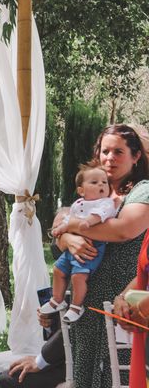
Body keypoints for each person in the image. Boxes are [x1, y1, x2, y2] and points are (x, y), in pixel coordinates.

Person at [54, 124, 149, 388]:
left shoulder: (143, 190)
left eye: (118, 151)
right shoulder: (96, 189)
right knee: (83, 374)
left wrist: (72, 226)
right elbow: (60, 223)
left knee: (118, 377)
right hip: (88, 299)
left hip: (124, 297)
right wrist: (67, 237)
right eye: (105, 151)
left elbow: (123, 230)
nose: (110, 158)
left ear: (136, 156)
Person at [41, 162, 117, 323]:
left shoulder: (106, 203)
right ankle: (57, 299)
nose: (101, 185)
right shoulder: (78, 204)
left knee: (78, 277)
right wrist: (61, 229)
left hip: (92, 247)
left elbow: (100, 215)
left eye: (104, 182)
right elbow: (69, 219)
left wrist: (87, 222)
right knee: (58, 270)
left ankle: (76, 306)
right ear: (81, 190)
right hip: (71, 249)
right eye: (94, 182)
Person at [0, 311, 66, 388]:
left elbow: (69, 331)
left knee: (7, 380)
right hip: (62, 359)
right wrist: (50, 324)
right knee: (9, 374)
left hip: (73, 369)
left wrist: (39, 361)